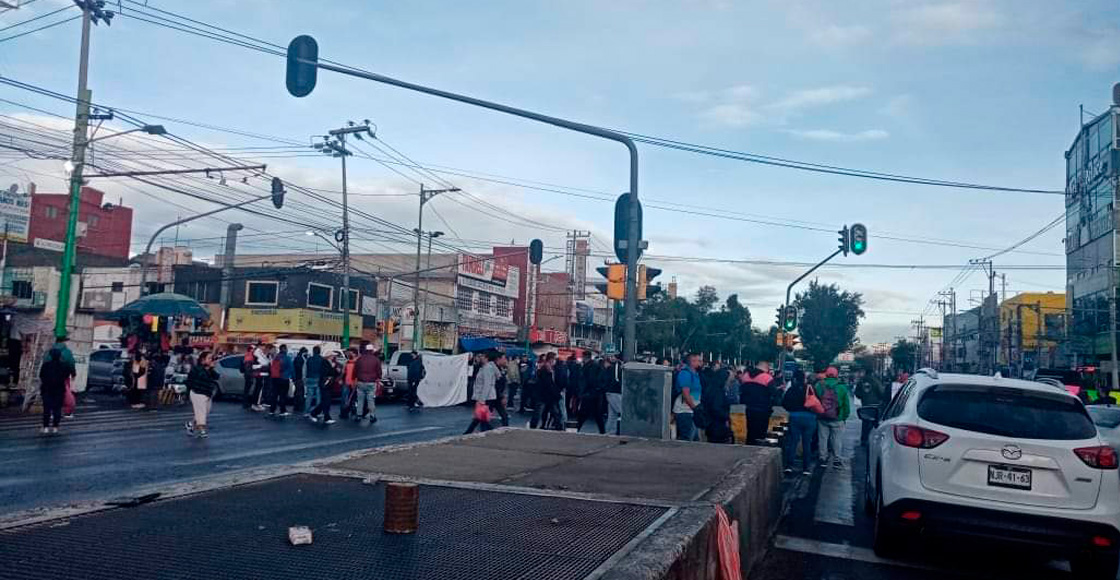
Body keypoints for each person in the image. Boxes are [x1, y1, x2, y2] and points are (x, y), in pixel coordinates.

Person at [781, 370, 817, 475]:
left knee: (793, 442)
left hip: (795, 417)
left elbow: (784, 403)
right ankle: (806, 468)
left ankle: (789, 466)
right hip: (809, 418)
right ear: (804, 378)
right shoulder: (810, 389)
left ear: (795, 379)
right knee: (807, 443)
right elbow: (817, 402)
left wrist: (792, 410)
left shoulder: (792, 389)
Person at [815, 366, 852, 469]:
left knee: (823, 438)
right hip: (838, 417)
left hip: (822, 417)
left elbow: (816, 401)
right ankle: (836, 460)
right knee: (837, 439)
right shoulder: (842, 387)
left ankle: (822, 458)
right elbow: (846, 405)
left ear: (826, 374)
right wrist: (844, 417)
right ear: (836, 375)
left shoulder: (819, 385)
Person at [39, 347, 75, 435]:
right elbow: (67, 375)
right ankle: (55, 427)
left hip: (47, 389)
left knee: (46, 409)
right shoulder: (64, 366)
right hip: (59, 389)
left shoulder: (46, 365)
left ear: (50, 355)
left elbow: (41, 375)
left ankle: (45, 427)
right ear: (59, 356)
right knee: (57, 409)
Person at [184, 351, 220, 438]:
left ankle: (191, 424)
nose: (212, 360)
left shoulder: (210, 370)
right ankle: (202, 430)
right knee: (201, 412)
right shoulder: (197, 369)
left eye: (212, 358)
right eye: (209, 358)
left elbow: (217, 377)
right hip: (197, 393)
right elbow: (200, 377)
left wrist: (211, 368)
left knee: (204, 412)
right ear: (203, 360)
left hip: (207, 394)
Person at [740, 361, 776, 445]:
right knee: (760, 433)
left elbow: (742, 390)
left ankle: (749, 448)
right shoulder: (767, 378)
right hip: (763, 410)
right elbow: (774, 393)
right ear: (766, 368)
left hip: (749, 408)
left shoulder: (746, 376)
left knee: (750, 431)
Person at [465, 351, 501, 433]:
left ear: (486, 358)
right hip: (487, 397)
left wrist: (482, 400)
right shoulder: (486, 367)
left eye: (482, 356)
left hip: (486, 397)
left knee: (481, 417)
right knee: (480, 418)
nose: (480, 358)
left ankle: (470, 432)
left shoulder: (487, 368)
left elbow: (486, 385)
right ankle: (469, 432)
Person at [674, 353, 702, 441]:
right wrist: (695, 408)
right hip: (685, 410)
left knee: (695, 439)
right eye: (699, 361)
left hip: (692, 410)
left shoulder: (696, 374)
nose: (701, 363)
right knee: (688, 438)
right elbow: (686, 394)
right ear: (692, 362)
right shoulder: (685, 374)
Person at [854, 369, 887, 445]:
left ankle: (864, 440)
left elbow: (857, 394)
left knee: (865, 423)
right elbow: (882, 393)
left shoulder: (861, 382)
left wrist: (863, 397)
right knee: (875, 423)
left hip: (865, 405)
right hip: (875, 406)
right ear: (873, 373)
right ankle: (874, 441)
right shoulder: (876, 381)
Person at [702, 366, 734, 444]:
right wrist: (726, 416)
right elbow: (716, 408)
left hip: (712, 424)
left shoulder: (712, 389)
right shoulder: (718, 392)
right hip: (718, 425)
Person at [577, 358, 609, 434]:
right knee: (598, 414)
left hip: (588, 393)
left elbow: (585, 381)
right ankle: (602, 431)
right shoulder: (599, 368)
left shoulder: (587, 367)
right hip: (597, 394)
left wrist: (582, 392)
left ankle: (578, 428)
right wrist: (600, 389)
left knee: (583, 413)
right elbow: (603, 381)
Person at [353, 342, 382, 423]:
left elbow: (355, 371)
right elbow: (379, 371)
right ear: (372, 350)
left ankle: (358, 415)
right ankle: (372, 416)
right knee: (370, 400)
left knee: (360, 400)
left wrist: (355, 378)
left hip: (360, 382)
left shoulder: (360, 359)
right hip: (371, 382)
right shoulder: (376, 360)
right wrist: (379, 378)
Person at [531, 354, 562, 430]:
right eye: (554, 359)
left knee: (543, 412)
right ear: (550, 359)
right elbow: (548, 383)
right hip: (545, 395)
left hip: (547, 395)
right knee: (548, 412)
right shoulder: (546, 370)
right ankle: (558, 427)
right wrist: (557, 393)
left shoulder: (549, 369)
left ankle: (537, 425)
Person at [310, 353, 340, 424]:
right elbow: (326, 373)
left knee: (325, 400)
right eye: (333, 355)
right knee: (327, 400)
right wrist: (332, 368)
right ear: (328, 356)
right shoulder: (324, 363)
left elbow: (333, 373)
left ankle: (315, 413)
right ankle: (326, 417)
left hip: (328, 384)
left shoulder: (330, 363)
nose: (334, 357)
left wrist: (337, 371)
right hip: (325, 383)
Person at [268, 344, 293, 417]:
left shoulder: (275, 357)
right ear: (284, 349)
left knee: (274, 395)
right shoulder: (287, 358)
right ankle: (282, 410)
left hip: (275, 378)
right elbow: (291, 368)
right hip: (284, 378)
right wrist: (293, 377)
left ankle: (272, 410)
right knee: (283, 395)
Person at [604, 355, 623, 435]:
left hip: (611, 391)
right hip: (615, 392)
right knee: (621, 411)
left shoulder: (613, 367)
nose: (611, 358)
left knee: (612, 414)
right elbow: (617, 379)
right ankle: (612, 431)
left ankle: (610, 431)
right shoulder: (618, 366)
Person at [304, 346, 324, 419]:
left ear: (313, 351)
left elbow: (305, 369)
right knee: (319, 397)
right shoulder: (322, 359)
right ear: (319, 351)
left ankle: (306, 412)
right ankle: (317, 412)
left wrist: (305, 378)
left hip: (309, 378)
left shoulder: (309, 359)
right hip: (318, 379)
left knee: (309, 396)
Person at [340, 349, 357, 420]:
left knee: (345, 398)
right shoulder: (356, 363)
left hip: (348, 382)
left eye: (351, 353)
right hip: (352, 382)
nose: (349, 354)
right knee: (352, 398)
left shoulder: (347, 362)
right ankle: (352, 411)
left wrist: (341, 378)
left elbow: (343, 372)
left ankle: (344, 412)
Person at [292, 347, 308, 413]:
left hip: (296, 377)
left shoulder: (297, 358)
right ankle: (300, 406)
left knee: (297, 392)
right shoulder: (302, 359)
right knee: (300, 392)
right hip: (300, 378)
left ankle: (296, 406)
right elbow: (301, 369)